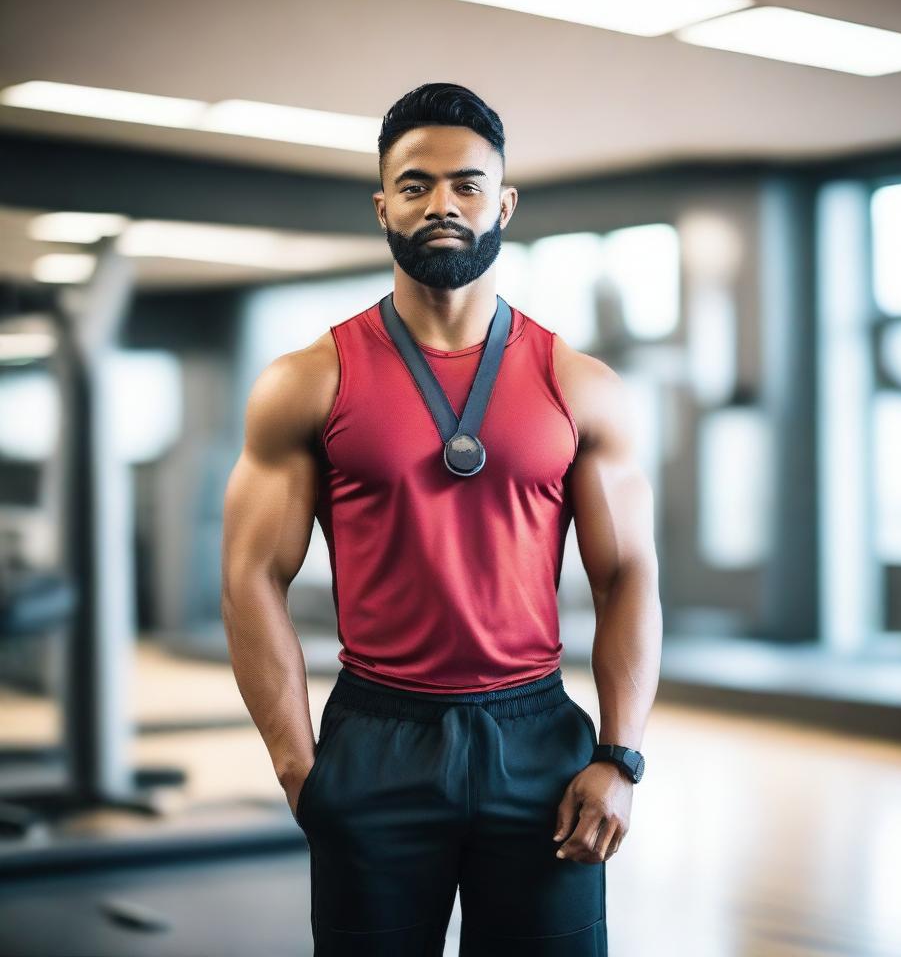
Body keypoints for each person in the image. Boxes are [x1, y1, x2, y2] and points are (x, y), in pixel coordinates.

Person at [221, 82, 662, 956]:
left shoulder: (578, 385)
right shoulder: (308, 380)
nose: (442, 204)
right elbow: (250, 576)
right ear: (383, 204)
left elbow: (628, 576)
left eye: (467, 184)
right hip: (377, 737)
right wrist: (298, 765)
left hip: (539, 742)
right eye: (415, 185)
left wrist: (621, 756)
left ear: (504, 202)